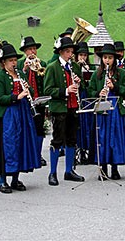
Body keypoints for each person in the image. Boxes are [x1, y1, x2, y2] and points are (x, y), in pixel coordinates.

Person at [0, 43, 41, 193]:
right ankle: (2, 181)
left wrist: (27, 89)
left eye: (14, 60)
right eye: (11, 61)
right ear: (3, 62)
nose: (14, 63)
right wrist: (16, 96)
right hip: (7, 114)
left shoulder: (20, 73)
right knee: (7, 147)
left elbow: (31, 91)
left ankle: (15, 179)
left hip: (22, 113)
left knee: (21, 144)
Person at [87, 43, 125, 179]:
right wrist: (98, 92)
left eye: (110, 58)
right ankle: (103, 168)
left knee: (115, 137)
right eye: (105, 58)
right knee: (102, 138)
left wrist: (115, 87)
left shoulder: (122, 73)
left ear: (114, 59)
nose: (107, 60)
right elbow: (90, 90)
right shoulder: (97, 74)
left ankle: (115, 168)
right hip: (102, 108)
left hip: (116, 109)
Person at [43, 36, 85, 185]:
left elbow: (82, 85)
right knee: (57, 140)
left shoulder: (74, 67)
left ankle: (69, 171)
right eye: (67, 51)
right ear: (60, 52)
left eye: (71, 51)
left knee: (72, 140)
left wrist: (79, 82)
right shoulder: (52, 67)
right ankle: (52, 173)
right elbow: (47, 90)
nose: (70, 54)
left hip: (73, 107)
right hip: (59, 109)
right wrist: (66, 90)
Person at [17, 36, 48, 166]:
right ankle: (27, 154)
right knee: (24, 129)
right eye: (30, 49)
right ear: (25, 51)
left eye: (34, 49)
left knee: (39, 129)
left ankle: (38, 154)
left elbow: (45, 81)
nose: (33, 52)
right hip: (24, 101)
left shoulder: (43, 64)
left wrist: (39, 68)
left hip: (38, 100)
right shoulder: (19, 64)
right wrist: (24, 69)